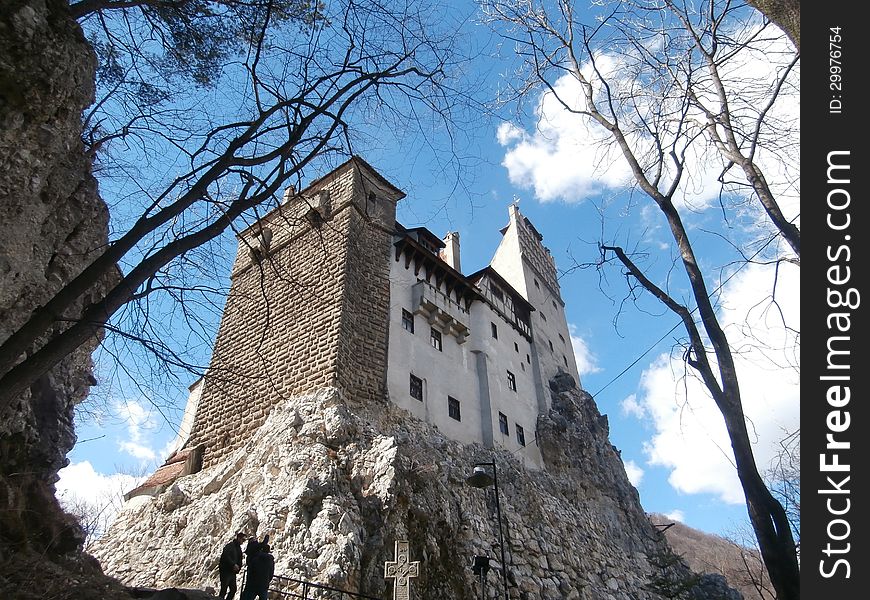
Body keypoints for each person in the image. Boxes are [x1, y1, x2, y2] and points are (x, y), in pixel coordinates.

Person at [218, 532, 247, 600]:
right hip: (226, 571)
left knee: (233, 589)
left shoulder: (238, 548)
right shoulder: (230, 546)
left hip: (232, 572)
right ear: (238, 538)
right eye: (242, 540)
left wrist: (238, 567)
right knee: (223, 590)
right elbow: (225, 556)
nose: (243, 541)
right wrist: (233, 564)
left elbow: (239, 559)